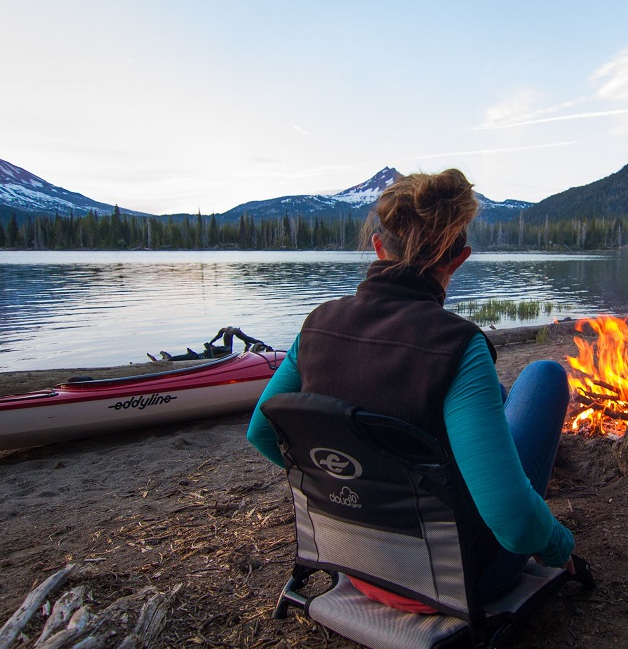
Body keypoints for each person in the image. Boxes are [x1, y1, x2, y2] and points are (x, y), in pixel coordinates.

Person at [246, 168, 575, 612]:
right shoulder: (457, 345)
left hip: (357, 567)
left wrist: (341, 495)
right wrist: (561, 550)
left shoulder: (316, 326)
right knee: (544, 377)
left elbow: (264, 433)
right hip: (456, 580)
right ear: (459, 259)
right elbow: (514, 524)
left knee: (491, 393)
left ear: (379, 247)